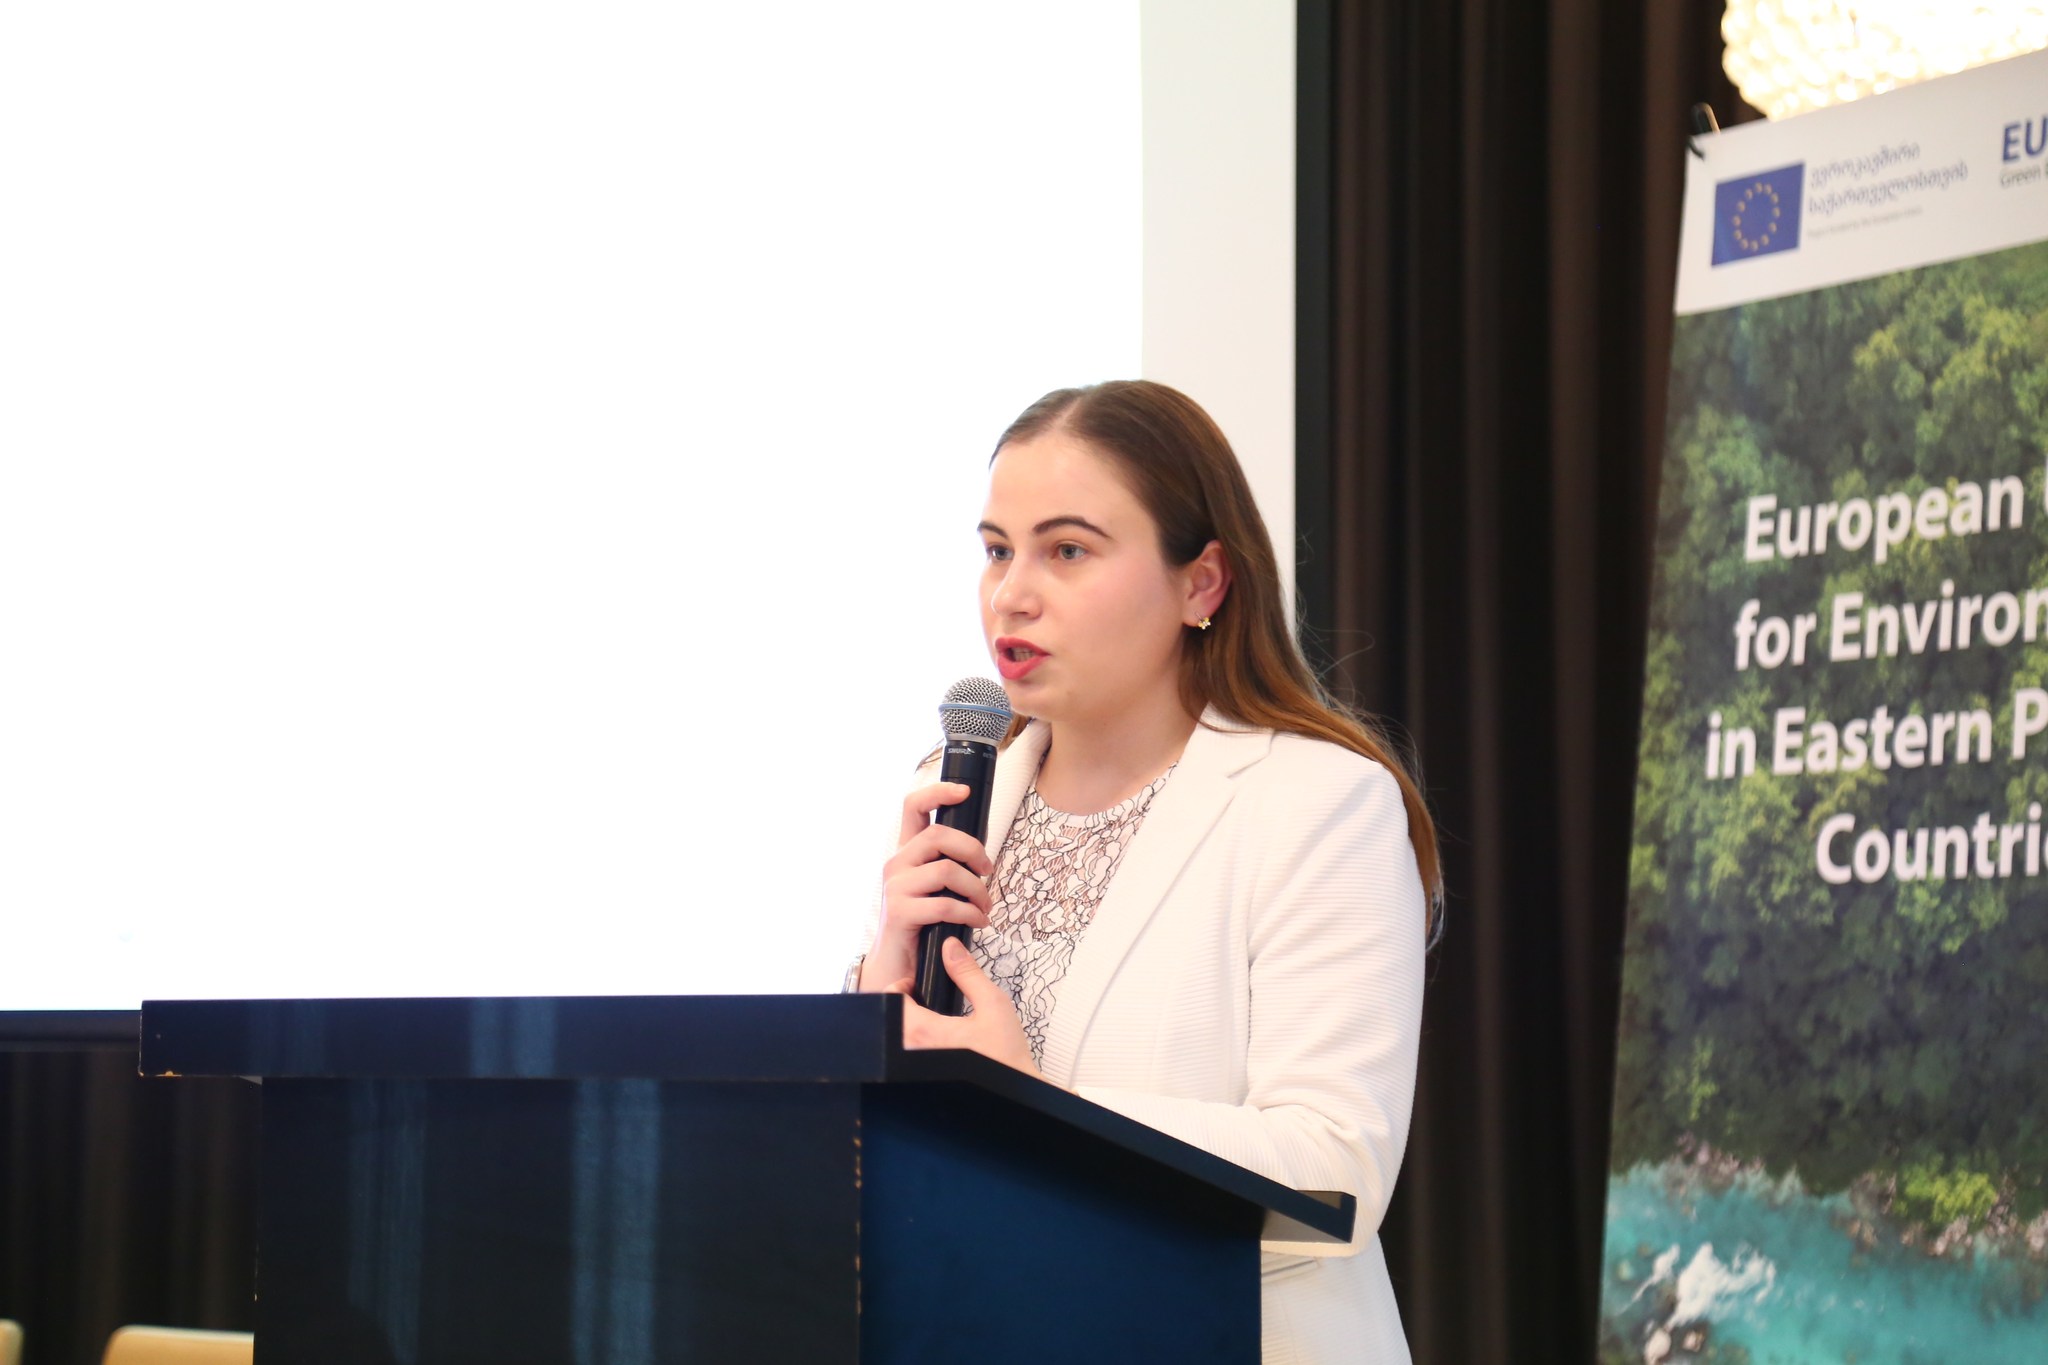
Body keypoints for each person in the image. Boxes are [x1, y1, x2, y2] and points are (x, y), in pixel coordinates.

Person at [852, 379, 1438, 1364]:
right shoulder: (953, 794)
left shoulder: (1319, 803)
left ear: (1201, 584)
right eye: (996, 550)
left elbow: (1335, 1166)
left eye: (1066, 551)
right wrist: (877, 994)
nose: (1012, 593)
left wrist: (1030, 1110)